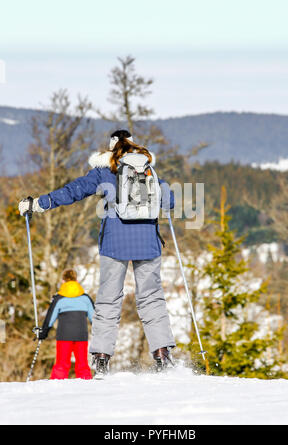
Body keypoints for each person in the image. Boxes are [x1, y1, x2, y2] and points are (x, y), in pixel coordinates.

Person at [19, 129, 176, 379]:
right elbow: (169, 202)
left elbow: (73, 191)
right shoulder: (148, 169)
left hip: (114, 244)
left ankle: (102, 360)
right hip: (148, 243)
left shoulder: (105, 171)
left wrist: (38, 204)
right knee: (151, 299)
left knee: (108, 300)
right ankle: (162, 355)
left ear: (111, 147)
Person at [38, 269, 94, 380]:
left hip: (64, 335)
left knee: (61, 364)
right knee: (82, 364)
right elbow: (95, 319)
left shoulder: (59, 299)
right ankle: (87, 385)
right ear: (76, 280)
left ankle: (57, 385)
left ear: (63, 281)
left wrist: (43, 333)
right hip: (81, 335)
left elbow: (50, 318)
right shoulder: (85, 298)